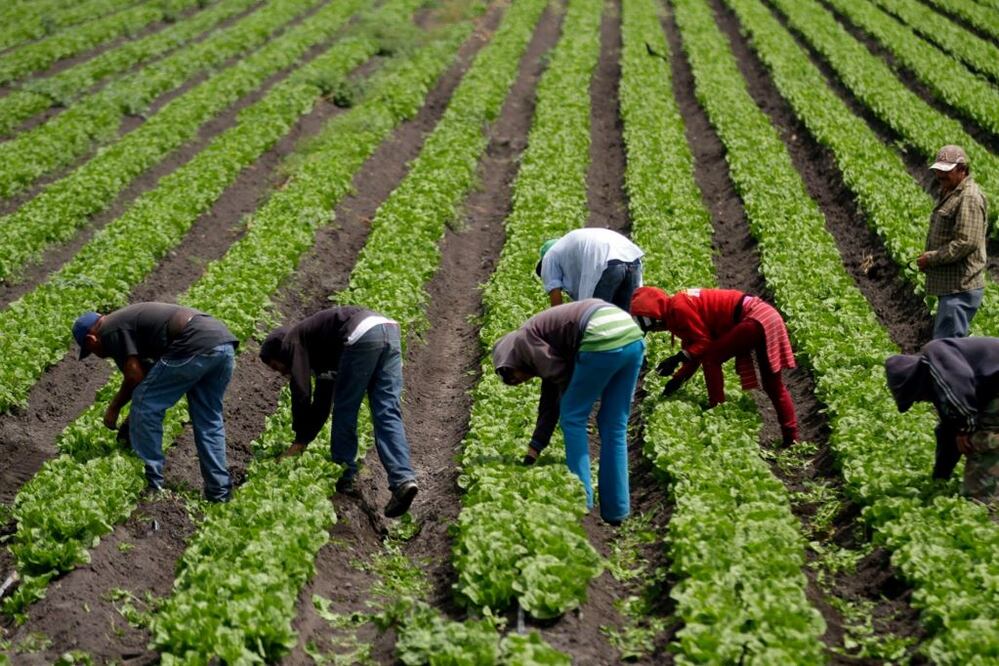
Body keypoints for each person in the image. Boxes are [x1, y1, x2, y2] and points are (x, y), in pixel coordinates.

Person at [492, 300, 645, 525]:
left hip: (601, 336)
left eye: (514, 378)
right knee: (614, 425)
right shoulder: (539, 342)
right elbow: (549, 398)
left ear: (511, 361)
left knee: (573, 418)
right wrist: (536, 446)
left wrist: (573, 403)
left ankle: (580, 501)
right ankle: (617, 510)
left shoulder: (524, 340)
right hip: (631, 335)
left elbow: (562, 379)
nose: (520, 382)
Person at [259, 307, 418, 518]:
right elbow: (323, 402)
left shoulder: (292, 341)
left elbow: (301, 391)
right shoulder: (322, 351)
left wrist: (299, 439)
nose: (280, 371)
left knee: (345, 409)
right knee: (387, 411)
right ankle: (403, 480)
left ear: (279, 352)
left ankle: (345, 475)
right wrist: (304, 440)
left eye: (274, 365)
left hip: (362, 333)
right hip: (388, 328)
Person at [72, 303, 238, 501]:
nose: (97, 355)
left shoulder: (109, 331)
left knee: (145, 402)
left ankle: (151, 483)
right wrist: (133, 420)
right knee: (208, 420)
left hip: (193, 342)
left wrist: (114, 409)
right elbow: (149, 374)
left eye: (91, 350)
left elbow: (135, 377)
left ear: (91, 339)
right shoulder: (124, 320)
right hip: (222, 342)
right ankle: (219, 494)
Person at [630, 286, 799, 446]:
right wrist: (677, 379)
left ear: (656, 319)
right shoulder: (677, 305)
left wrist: (676, 359)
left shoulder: (679, 310)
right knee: (772, 385)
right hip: (767, 316)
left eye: (653, 328)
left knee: (712, 359)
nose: (656, 331)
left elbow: (704, 345)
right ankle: (791, 438)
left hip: (755, 319)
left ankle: (717, 409)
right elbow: (695, 351)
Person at [885, 337, 999, 502]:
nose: (919, 401)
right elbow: (948, 433)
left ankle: (984, 503)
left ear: (916, 383)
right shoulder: (941, 386)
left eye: (915, 397)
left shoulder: (936, 355)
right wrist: (940, 476)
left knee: (981, 440)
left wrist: (965, 429)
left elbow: (961, 385)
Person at [916, 145, 988, 339]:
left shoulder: (969, 197)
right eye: (939, 170)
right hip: (952, 287)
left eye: (946, 171)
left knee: (947, 347)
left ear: (962, 169)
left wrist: (932, 258)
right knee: (948, 345)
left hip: (961, 287)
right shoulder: (951, 190)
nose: (940, 175)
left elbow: (966, 242)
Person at [536, 228, 644, 310]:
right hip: (631, 256)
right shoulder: (569, 246)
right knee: (628, 319)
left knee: (595, 318)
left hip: (606, 261)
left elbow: (556, 306)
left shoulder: (549, 256)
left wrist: (557, 331)